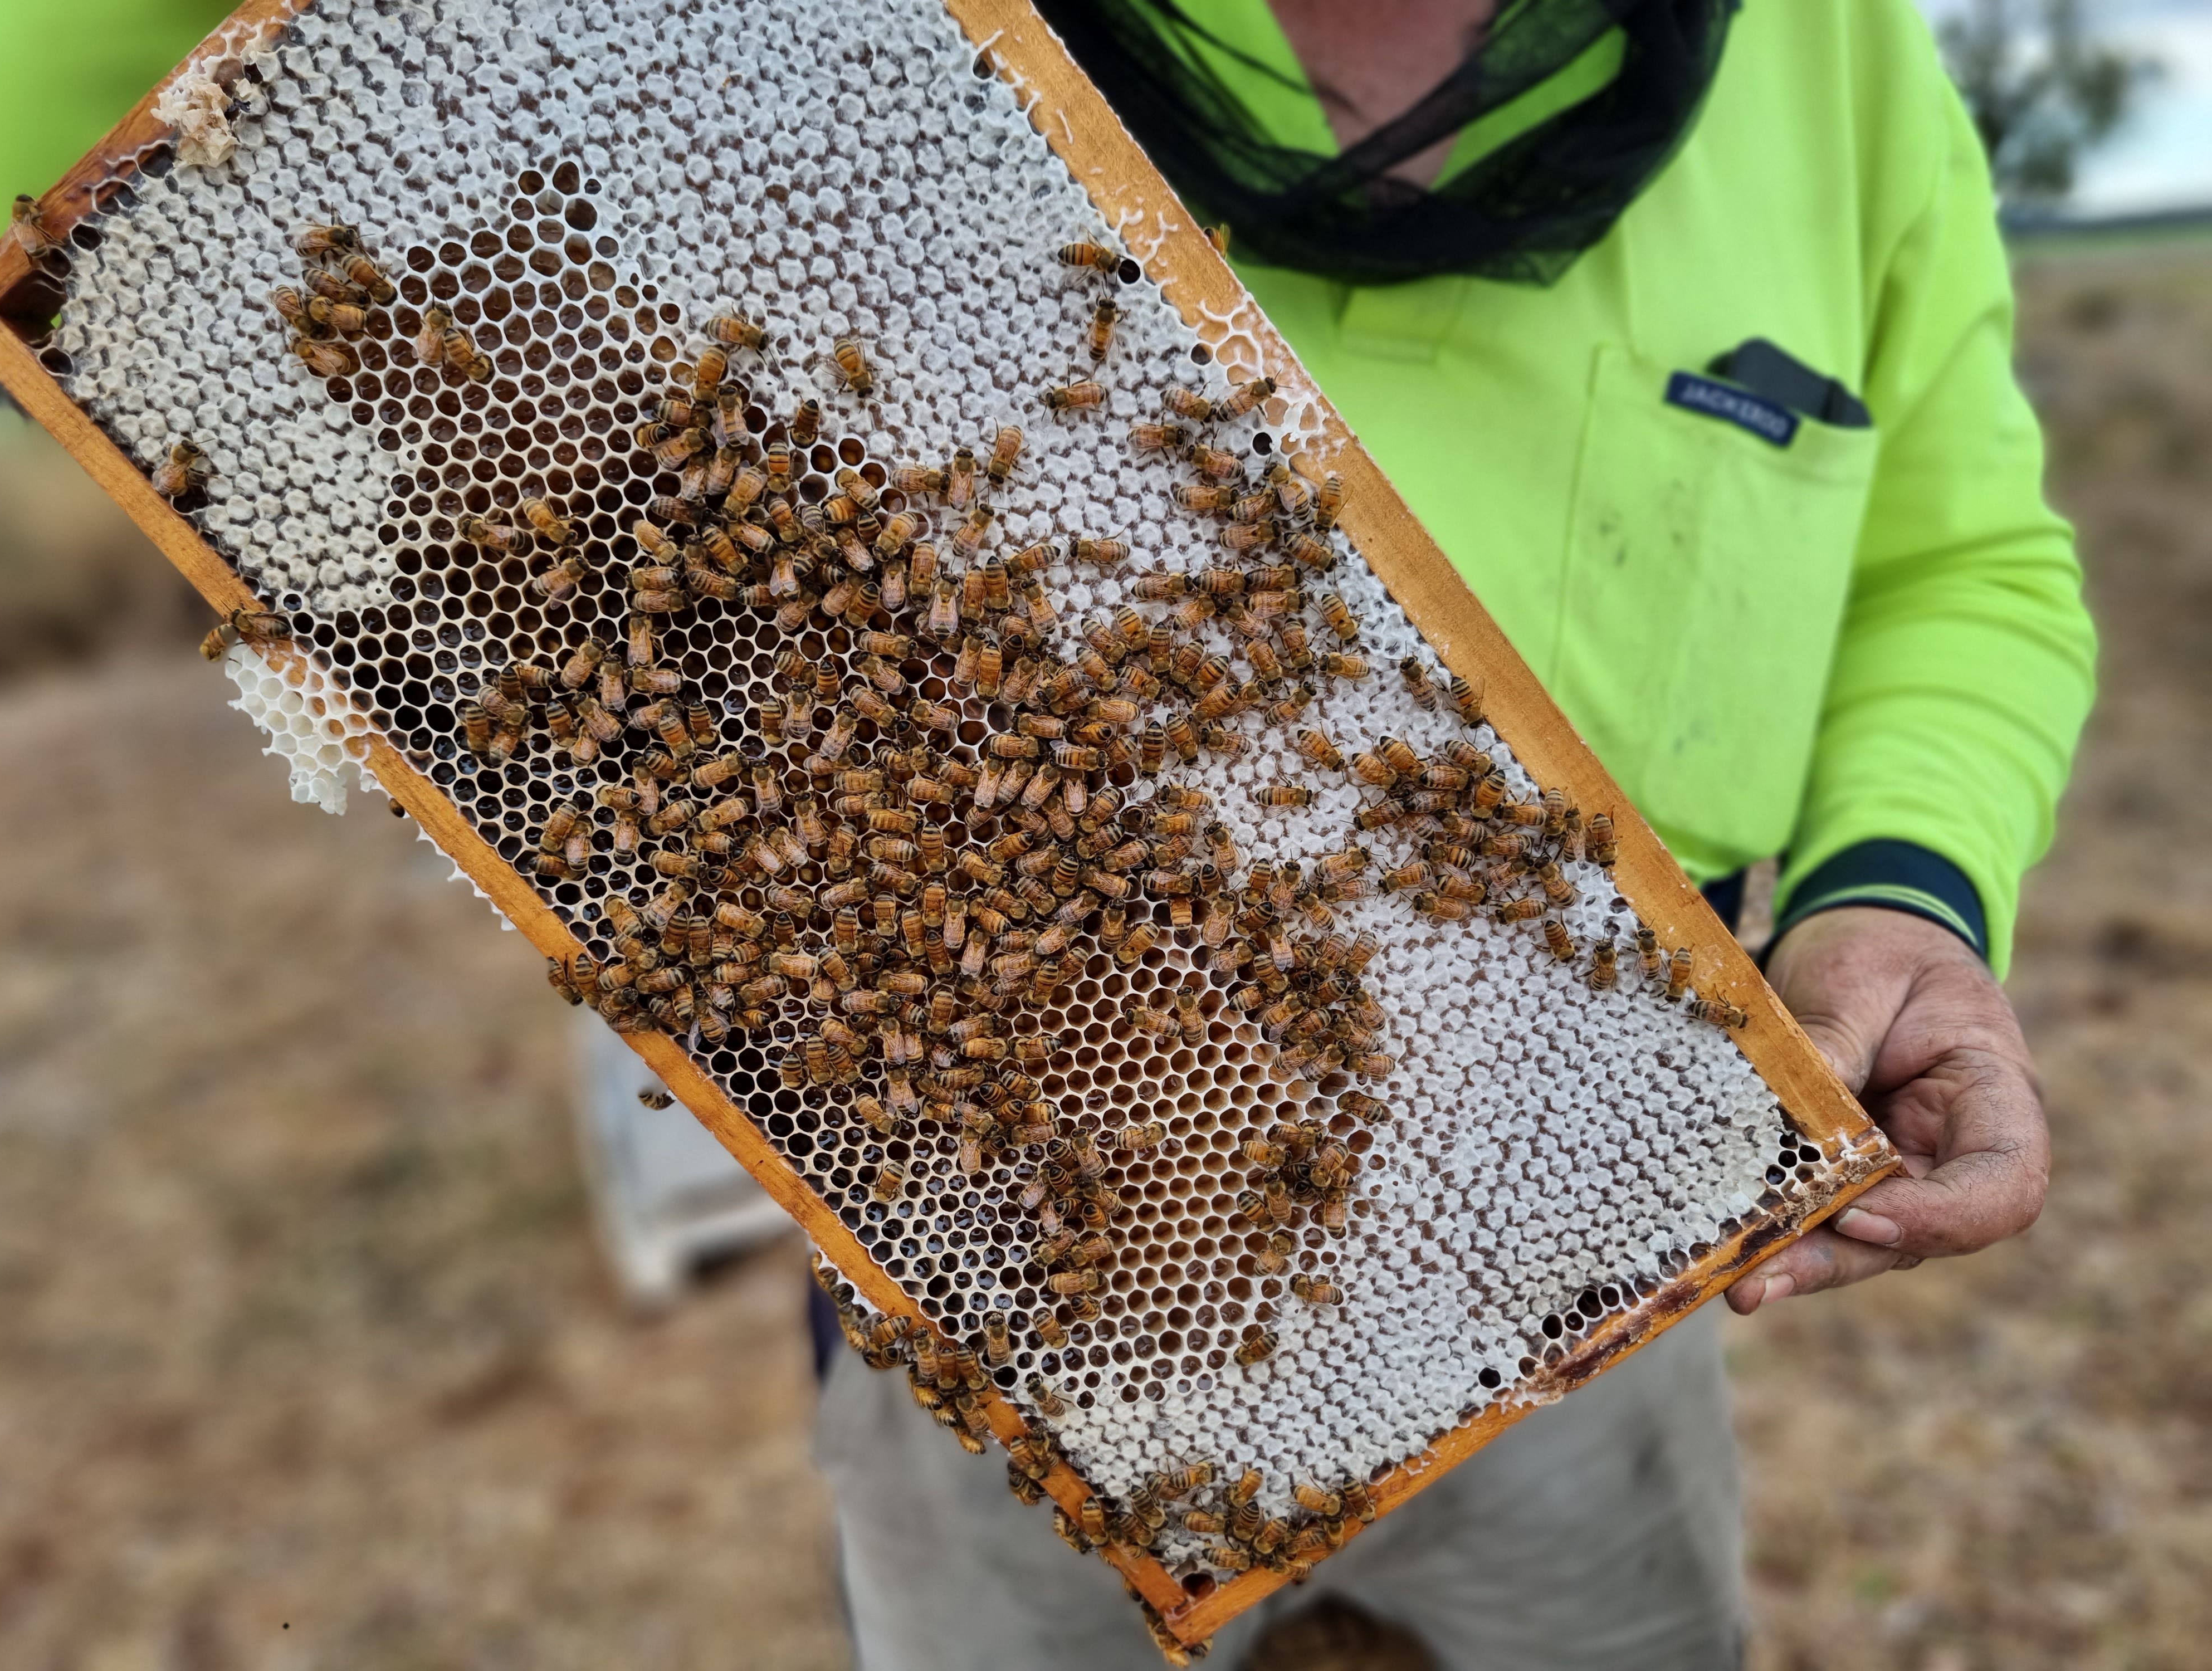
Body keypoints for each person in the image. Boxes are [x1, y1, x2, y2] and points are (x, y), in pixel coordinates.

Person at [814, 1, 2096, 1665]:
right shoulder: (846, 47)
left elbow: (1961, 567)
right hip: (1019, 1228)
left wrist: (1903, 889)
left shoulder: (1838, 54)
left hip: (1584, 1220)